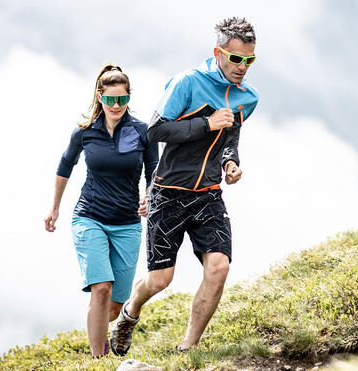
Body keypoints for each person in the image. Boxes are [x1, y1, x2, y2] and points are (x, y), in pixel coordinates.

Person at [108, 17, 259, 355]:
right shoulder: (187, 83)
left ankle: (188, 347)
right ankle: (131, 313)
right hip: (169, 193)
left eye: (250, 60)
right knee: (161, 279)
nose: (243, 67)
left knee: (219, 267)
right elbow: (156, 131)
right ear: (218, 53)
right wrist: (205, 124)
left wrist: (230, 163)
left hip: (208, 195)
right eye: (236, 59)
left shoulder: (248, 98)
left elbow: (230, 137)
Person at [44, 64, 159, 357]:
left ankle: (103, 326)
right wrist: (54, 207)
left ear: (128, 98)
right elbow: (65, 166)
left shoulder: (143, 132)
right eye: (110, 99)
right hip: (89, 217)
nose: (116, 105)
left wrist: (149, 196)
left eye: (121, 99)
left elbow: (154, 170)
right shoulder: (84, 132)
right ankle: (99, 358)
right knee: (102, 288)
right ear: (99, 97)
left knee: (114, 304)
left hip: (127, 224)